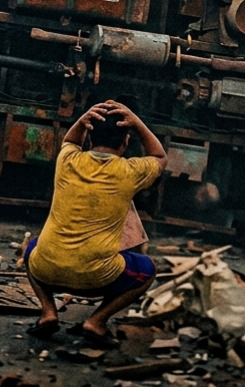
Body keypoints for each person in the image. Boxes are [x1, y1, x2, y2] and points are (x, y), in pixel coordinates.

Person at [24, 99, 167, 348]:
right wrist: (137, 122)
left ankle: (48, 312)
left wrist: (83, 119)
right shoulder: (131, 171)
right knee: (148, 270)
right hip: (97, 281)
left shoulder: (67, 160)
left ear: (89, 139)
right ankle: (97, 322)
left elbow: (70, 141)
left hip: (46, 272)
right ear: (126, 142)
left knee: (32, 248)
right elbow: (159, 156)